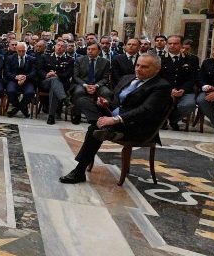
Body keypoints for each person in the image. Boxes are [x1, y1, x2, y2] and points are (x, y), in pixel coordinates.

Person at [59, 54, 172, 184]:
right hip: (113, 115)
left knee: (94, 129)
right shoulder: (128, 78)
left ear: (157, 69)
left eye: (144, 67)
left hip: (135, 125)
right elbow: (116, 100)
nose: (138, 69)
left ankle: (79, 171)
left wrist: (116, 119)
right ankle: (104, 126)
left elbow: (145, 110)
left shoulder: (161, 86)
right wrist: (106, 102)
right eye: (137, 65)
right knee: (83, 100)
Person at [160, 35, 199, 130]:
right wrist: (170, 90)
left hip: (185, 90)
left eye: (175, 43)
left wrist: (183, 89)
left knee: (190, 104)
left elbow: (193, 78)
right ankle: (162, 120)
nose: (172, 46)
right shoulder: (159, 59)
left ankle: (173, 119)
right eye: (170, 43)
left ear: (181, 45)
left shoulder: (192, 59)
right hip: (165, 89)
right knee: (158, 100)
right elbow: (158, 77)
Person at [70, 43, 112, 124]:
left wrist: (96, 86)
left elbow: (105, 78)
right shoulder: (79, 60)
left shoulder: (105, 62)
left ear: (99, 51)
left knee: (107, 92)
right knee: (78, 92)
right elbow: (76, 77)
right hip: (82, 84)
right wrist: (86, 85)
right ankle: (77, 114)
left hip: (98, 85)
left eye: (93, 49)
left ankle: (102, 116)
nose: (90, 51)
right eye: (88, 49)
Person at [40, 40, 76, 124]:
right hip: (46, 82)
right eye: (58, 45)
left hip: (62, 83)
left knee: (54, 86)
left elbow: (68, 74)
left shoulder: (70, 60)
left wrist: (57, 75)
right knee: (53, 81)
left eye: (62, 46)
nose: (59, 47)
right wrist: (47, 74)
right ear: (54, 46)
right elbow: (39, 70)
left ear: (66, 48)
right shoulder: (46, 57)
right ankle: (65, 99)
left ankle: (51, 116)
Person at [4, 42, 35, 118]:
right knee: (10, 91)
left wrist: (25, 77)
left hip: (27, 80)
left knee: (30, 92)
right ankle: (23, 109)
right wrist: (16, 77)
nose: (21, 52)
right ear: (16, 50)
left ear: (26, 50)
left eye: (23, 51)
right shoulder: (10, 58)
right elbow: (7, 72)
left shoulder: (32, 59)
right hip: (13, 80)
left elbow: (34, 72)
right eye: (19, 51)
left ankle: (16, 110)